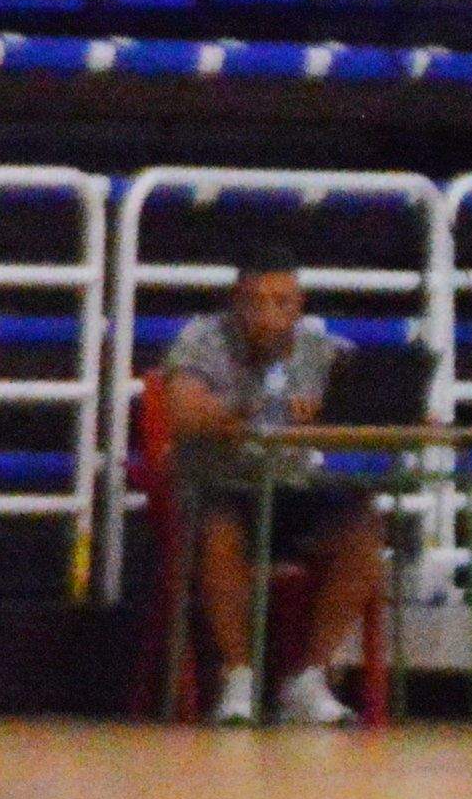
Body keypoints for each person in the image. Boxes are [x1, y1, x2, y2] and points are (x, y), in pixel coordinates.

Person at [150, 245, 383, 723]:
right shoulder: (202, 341)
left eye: (284, 303)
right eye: (258, 302)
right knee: (220, 534)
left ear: (299, 305)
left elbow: (363, 397)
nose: (271, 315)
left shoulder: (320, 346)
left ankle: (307, 678)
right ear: (237, 301)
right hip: (222, 483)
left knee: (363, 532)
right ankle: (238, 680)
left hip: (293, 486)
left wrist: (354, 413)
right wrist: (250, 409)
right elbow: (182, 410)